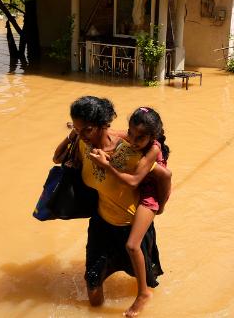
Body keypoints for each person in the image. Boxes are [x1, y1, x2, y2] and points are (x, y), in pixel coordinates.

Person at [52, 96, 164, 314]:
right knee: (93, 286)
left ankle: (142, 296)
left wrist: (161, 206)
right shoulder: (84, 146)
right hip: (101, 225)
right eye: (78, 129)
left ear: (104, 125)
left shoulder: (134, 150)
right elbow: (57, 158)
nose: (83, 135)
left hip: (131, 226)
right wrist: (72, 135)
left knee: (143, 280)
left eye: (87, 130)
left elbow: (165, 176)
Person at [87, 106, 172, 317]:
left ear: (153, 136)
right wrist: (82, 131)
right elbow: (114, 134)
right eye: (131, 133)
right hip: (135, 192)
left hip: (148, 195)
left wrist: (106, 165)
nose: (133, 141)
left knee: (132, 245)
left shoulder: (153, 148)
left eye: (139, 137)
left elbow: (134, 181)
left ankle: (143, 294)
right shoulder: (134, 136)